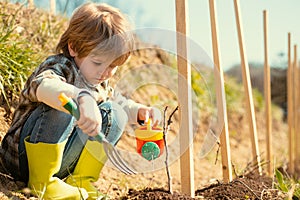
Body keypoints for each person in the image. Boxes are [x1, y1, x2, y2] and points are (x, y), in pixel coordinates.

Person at [0, 2, 161, 200]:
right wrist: (82, 97)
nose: (105, 72)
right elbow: (42, 85)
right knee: (64, 103)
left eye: (113, 66)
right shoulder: (60, 66)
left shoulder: (99, 81)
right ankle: (42, 182)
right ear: (74, 47)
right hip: (21, 159)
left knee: (115, 112)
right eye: (98, 62)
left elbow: (119, 102)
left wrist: (139, 111)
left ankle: (79, 179)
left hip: (62, 161)